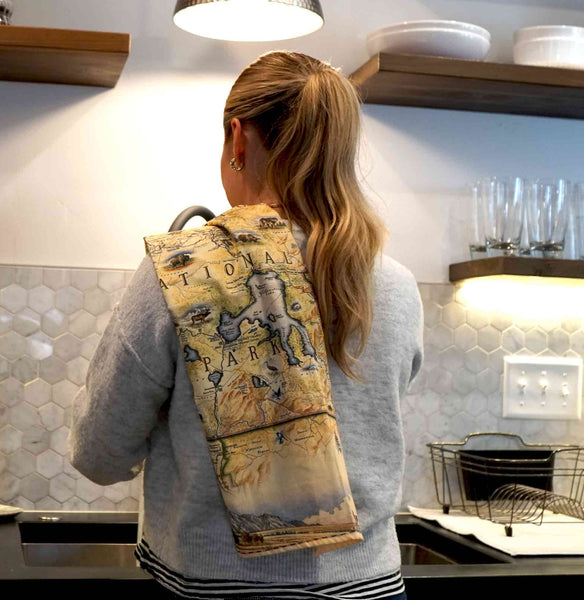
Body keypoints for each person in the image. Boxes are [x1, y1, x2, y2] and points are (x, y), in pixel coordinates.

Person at [68, 51, 423, 599]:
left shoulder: (183, 271)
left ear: (238, 139)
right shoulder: (396, 285)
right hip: (369, 587)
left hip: (216, 588)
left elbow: (99, 453)